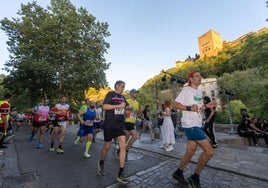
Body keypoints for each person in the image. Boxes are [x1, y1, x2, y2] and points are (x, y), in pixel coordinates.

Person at [172, 71, 216, 187]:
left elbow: (197, 107)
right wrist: (188, 107)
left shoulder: (198, 92)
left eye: (200, 76)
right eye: (197, 76)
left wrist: (206, 106)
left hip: (197, 123)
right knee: (209, 151)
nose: (200, 78)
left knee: (191, 151)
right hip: (190, 124)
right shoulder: (186, 90)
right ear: (190, 79)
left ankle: (178, 172)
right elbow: (175, 104)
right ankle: (195, 177)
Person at [98, 80, 129, 184]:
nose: (123, 88)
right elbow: (105, 106)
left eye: (124, 87)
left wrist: (130, 107)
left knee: (123, 147)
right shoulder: (110, 94)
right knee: (106, 147)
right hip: (109, 125)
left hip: (120, 125)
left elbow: (126, 106)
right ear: (117, 86)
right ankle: (101, 162)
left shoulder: (123, 97)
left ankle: (121, 173)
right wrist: (117, 106)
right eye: (122, 86)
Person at [122, 88, 140, 160]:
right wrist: (128, 110)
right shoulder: (127, 101)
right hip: (127, 121)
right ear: (131, 94)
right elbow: (124, 111)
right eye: (135, 93)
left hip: (132, 121)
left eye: (136, 93)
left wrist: (139, 111)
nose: (136, 94)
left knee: (126, 138)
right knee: (135, 136)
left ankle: (120, 150)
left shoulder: (137, 102)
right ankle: (126, 150)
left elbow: (136, 113)